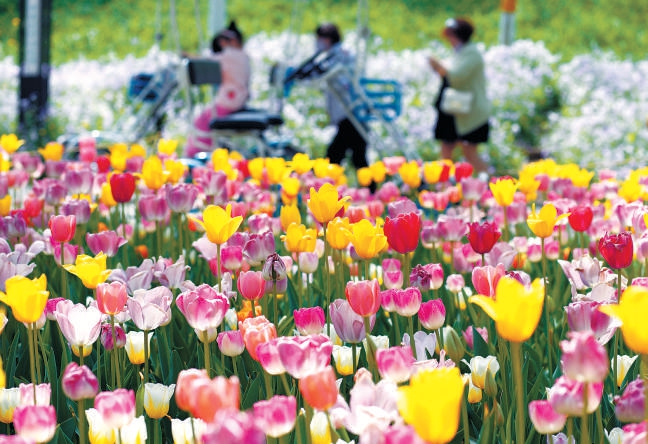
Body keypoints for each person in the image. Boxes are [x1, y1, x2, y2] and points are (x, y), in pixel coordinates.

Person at [296, 23, 371, 185]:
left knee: (335, 156)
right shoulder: (332, 55)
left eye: (319, 39)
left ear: (327, 39)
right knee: (358, 158)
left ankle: (324, 188)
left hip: (350, 112)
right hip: (349, 114)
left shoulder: (340, 55)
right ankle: (370, 191)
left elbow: (334, 76)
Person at [428, 18, 491, 174]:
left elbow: (455, 77)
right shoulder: (461, 52)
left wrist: (437, 65)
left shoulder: (471, 53)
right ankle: (444, 188)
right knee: (446, 150)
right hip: (454, 107)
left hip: (468, 111)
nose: (449, 40)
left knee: (469, 152)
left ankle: (492, 184)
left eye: (451, 36)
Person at [185, 22, 251, 157]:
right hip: (240, 101)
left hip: (228, 102)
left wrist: (187, 56)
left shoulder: (229, 55)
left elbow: (207, 61)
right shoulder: (244, 56)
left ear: (225, 42)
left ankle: (200, 153)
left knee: (201, 121)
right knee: (205, 117)